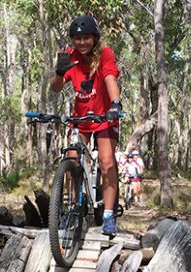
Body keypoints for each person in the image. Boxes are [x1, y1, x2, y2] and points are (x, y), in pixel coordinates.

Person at [50, 15, 123, 235]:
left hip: (104, 117)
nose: (82, 42)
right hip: (80, 119)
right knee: (70, 158)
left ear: (94, 38)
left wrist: (116, 104)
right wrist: (59, 72)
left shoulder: (105, 54)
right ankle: (74, 210)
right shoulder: (69, 56)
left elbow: (110, 78)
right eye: (78, 38)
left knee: (107, 162)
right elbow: (56, 88)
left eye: (86, 38)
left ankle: (109, 216)